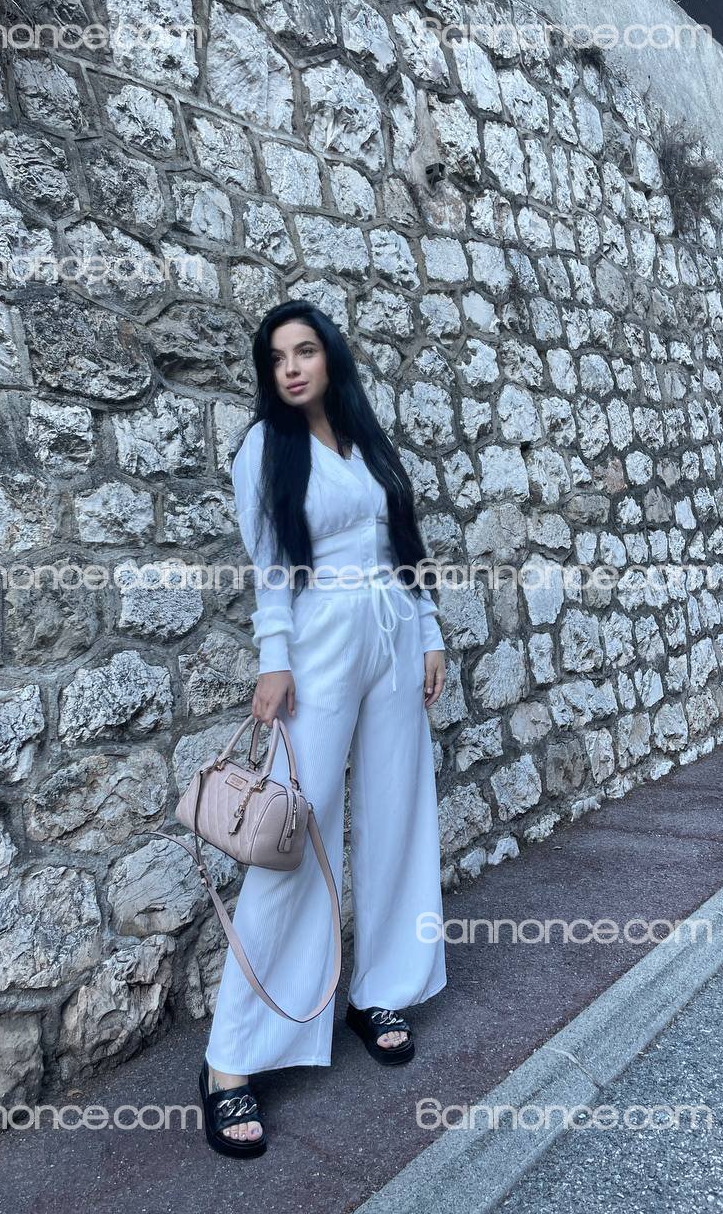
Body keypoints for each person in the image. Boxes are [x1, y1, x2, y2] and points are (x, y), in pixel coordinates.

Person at [199, 300, 448, 1157]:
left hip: (392, 635)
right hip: (318, 645)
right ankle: (232, 1060)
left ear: (330, 357)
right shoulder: (265, 449)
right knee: (295, 834)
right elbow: (270, 568)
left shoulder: (367, 442)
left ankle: (380, 992)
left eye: (305, 351)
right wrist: (275, 660)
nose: (293, 368)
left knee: (399, 814)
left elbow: (402, 544)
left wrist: (429, 629)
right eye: (277, 358)